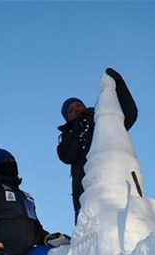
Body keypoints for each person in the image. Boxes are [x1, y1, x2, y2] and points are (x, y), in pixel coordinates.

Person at [57, 68, 138, 219]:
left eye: (78, 106)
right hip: (85, 193)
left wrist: (118, 84)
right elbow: (66, 156)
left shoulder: (101, 120)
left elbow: (129, 115)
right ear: (67, 118)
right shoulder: (67, 137)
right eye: (71, 110)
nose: (77, 109)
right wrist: (79, 129)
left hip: (115, 183)